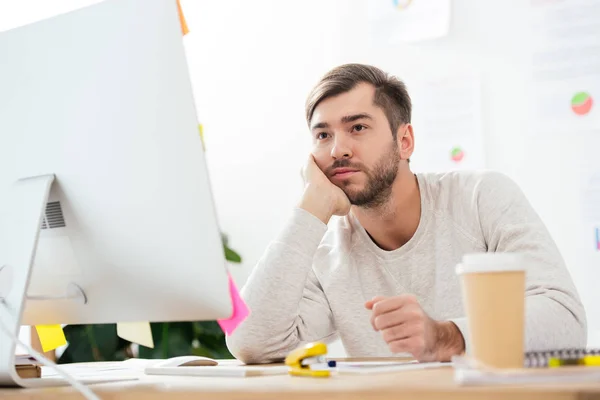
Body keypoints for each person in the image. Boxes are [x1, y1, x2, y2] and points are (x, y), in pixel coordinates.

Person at [226, 63, 587, 364]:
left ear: (405, 141)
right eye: (322, 135)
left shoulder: (480, 197)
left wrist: (445, 336)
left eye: (358, 127)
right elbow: (250, 341)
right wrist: (310, 207)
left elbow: (565, 319)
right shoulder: (326, 255)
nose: (338, 150)